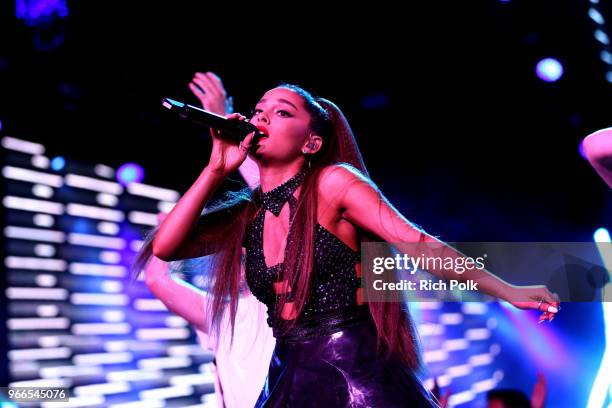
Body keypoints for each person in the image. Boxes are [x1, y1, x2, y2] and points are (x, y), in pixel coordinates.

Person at [137, 83, 560, 407]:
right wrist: (215, 169)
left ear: (311, 142)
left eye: (282, 113)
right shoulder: (250, 210)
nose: (261, 118)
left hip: (357, 375)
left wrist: (509, 291)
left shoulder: (334, 182)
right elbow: (167, 247)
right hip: (289, 371)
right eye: (259, 110)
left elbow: (418, 244)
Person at [138, 72, 275, 408]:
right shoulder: (220, 313)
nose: (246, 259)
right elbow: (157, 277)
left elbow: (278, 202)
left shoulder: (280, 301)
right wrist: (168, 233)